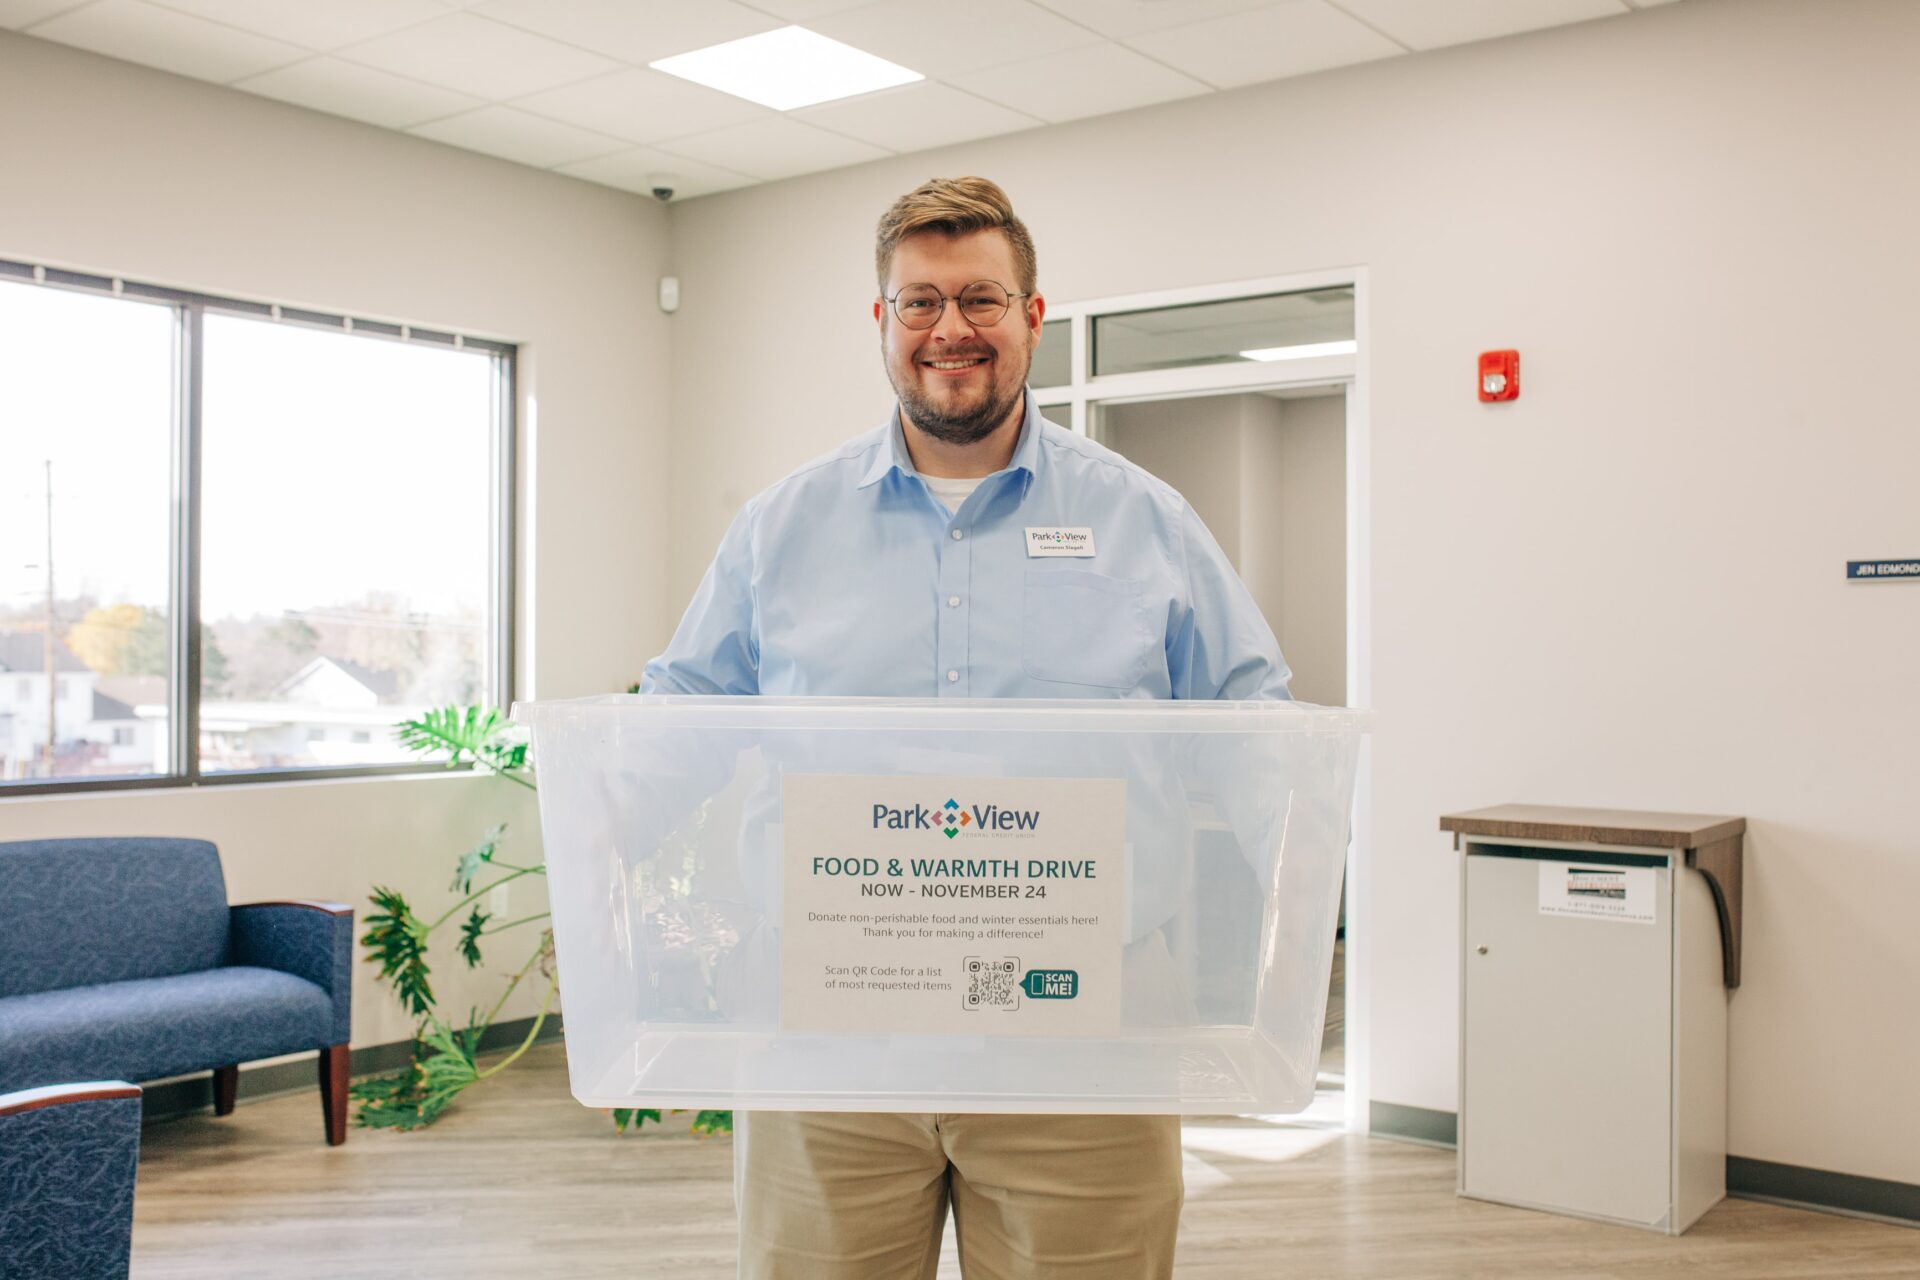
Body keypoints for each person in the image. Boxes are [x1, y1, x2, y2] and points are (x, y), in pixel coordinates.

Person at [642, 176, 1291, 1280]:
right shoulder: (780, 529)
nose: (952, 328)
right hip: (831, 1055)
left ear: (1035, 315)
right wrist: (598, 819)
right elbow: (681, 720)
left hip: (1084, 1048)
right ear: (883, 322)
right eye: (920, 301)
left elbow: (1257, 729)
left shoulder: (1144, 520)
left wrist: (1305, 879)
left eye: (983, 299)